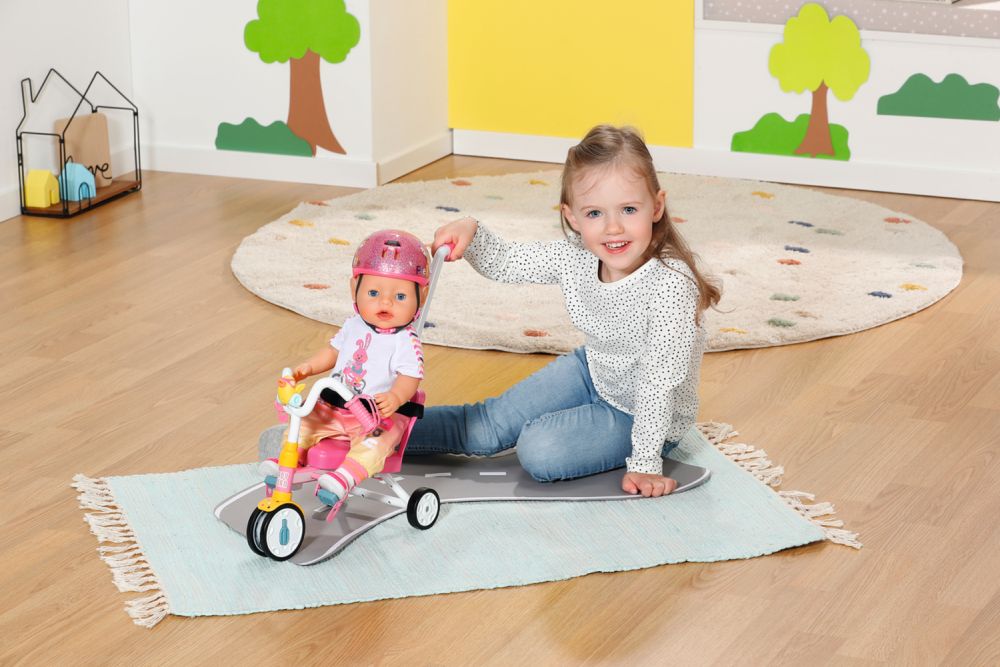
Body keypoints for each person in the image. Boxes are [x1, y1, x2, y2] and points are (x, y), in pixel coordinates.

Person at [405, 124, 721, 498]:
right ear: (572, 217)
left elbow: (658, 384)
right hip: (594, 370)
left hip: (641, 412)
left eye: (629, 209)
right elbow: (507, 261)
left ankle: (576, 430)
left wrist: (645, 463)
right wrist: (470, 229)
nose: (613, 228)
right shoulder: (576, 254)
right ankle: (374, 431)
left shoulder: (671, 285)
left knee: (538, 450)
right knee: (486, 426)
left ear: (657, 206)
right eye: (594, 213)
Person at [260, 229, 429, 503]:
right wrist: (307, 368)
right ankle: (289, 460)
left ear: (421, 296)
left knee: (377, 443)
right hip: (333, 408)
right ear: (354, 289)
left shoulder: (405, 341)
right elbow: (332, 352)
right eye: (373, 292)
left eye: (400, 297)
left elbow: (411, 377)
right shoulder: (353, 325)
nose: (385, 302)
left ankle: (345, 477)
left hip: (374, 416)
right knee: (302, 423)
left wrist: (396, 396)